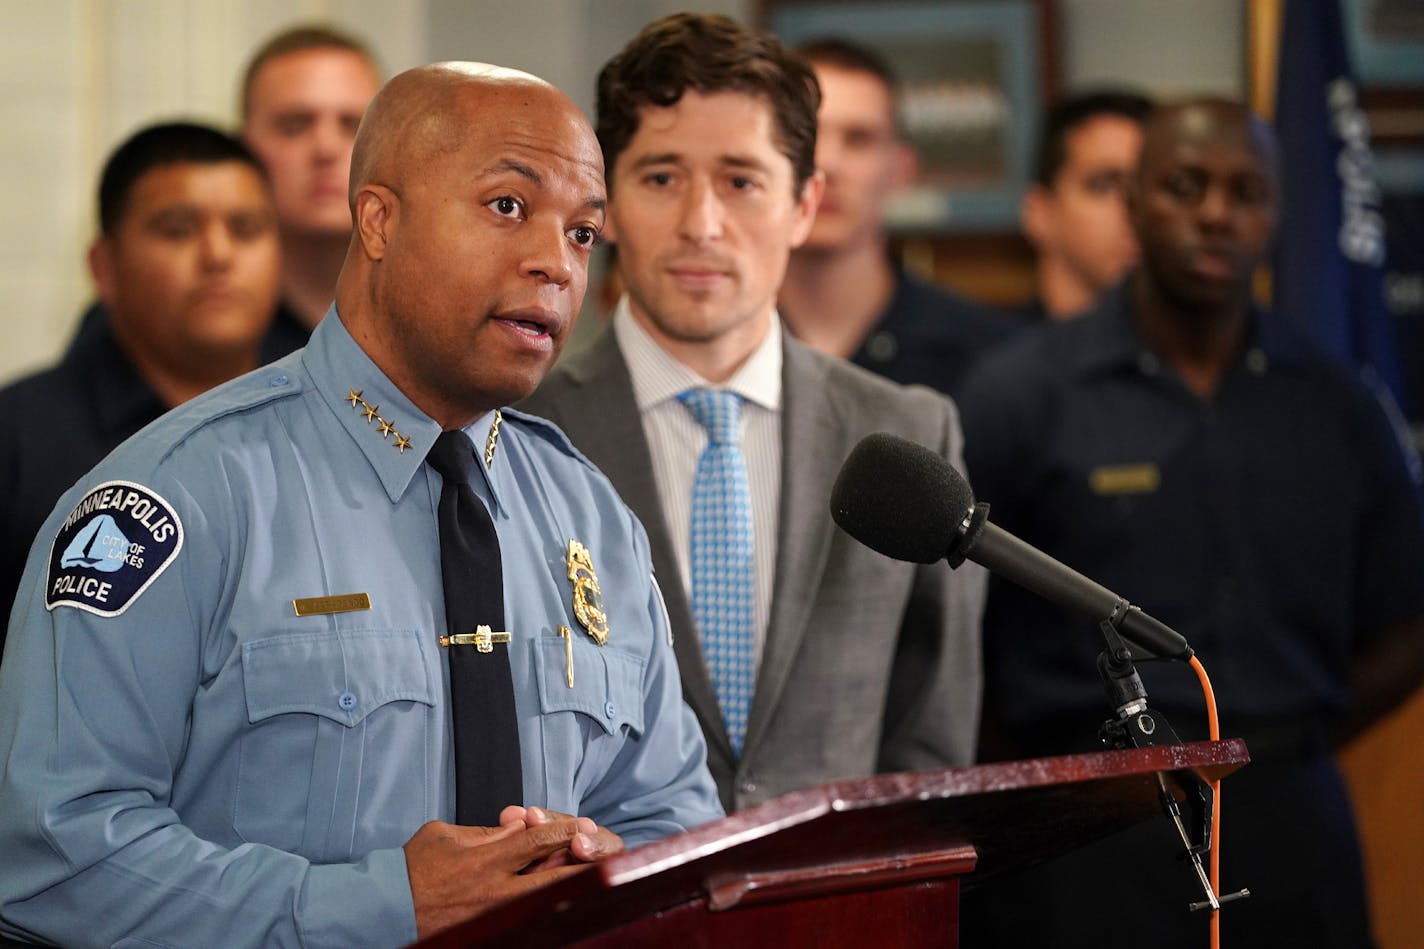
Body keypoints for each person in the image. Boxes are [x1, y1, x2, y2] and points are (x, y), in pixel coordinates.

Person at [0, 62, 721, 947]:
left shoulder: (593, 518)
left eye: (582, 232)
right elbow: (54, 854)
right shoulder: (174, 499)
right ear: (377, 219)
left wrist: (609, 872)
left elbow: (674, 820)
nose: (554, 262)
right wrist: (382, 907)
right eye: (507, 207)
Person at [957, 98, 1424, 948]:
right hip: (1093, 827)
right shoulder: (1020, 395)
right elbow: (954, 629)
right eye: (1185, 185)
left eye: (1247, 192)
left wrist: (1291, 727)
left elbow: (1410, 615)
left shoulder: (1337, 402)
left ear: (1278, 214)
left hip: (1290, 812)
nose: (1217, 212)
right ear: (1134, 202)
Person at [521, 13, 984, 813]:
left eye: (741, 180)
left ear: (804, 204)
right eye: (662, 177)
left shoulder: (906, 432)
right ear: (610, 205)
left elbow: (930, 737)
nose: (701, 222)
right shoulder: (521, 429)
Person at [0, 122, 280, 650]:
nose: (219, 254)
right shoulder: (19, 438)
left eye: (245, 229)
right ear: (105, 267)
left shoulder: (329, 421)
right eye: (177, 230)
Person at [777, 38, 1017, 397]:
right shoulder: (712, 340)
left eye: (859, 139)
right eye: (805, 135)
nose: (827, 164)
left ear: (902, 170)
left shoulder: (992, 357)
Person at [240, 24, 381, 356]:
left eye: (353, 125)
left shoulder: (443, 322)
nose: (326, 148)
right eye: (295, 126)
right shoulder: (189, 330)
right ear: (244, 149)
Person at [1016, 89, 1153, 321]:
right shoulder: (997, 353)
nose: (1135, 207)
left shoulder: (1196, 352)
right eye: (1104, 185)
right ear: (1039, 214)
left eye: (1151, 187)